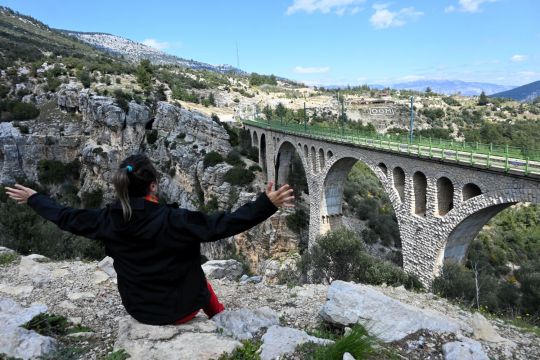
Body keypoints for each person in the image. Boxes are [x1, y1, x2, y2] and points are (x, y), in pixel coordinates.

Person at [4, 154, 294, 325]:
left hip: (140, 310)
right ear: (153, 185)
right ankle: (221, 320)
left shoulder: (106, 220)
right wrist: (266, 204)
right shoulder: (175, 220)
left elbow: (66, 216)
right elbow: (223, 224)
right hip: (181, 310)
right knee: (201, 280)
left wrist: (35, 199)